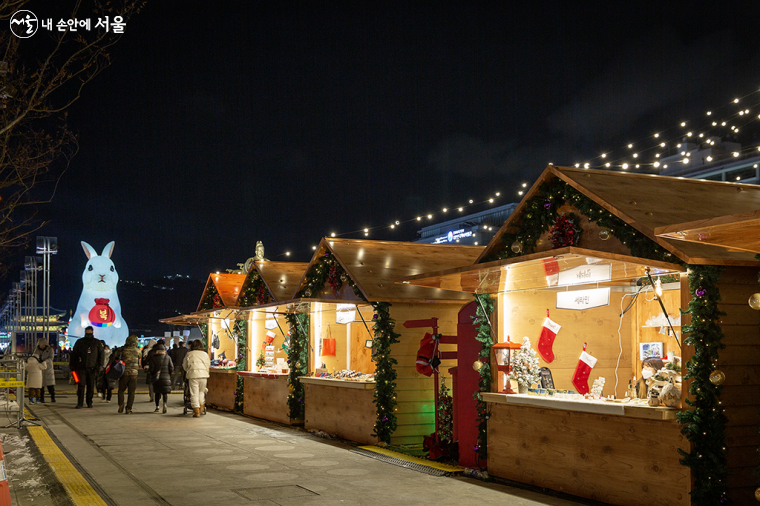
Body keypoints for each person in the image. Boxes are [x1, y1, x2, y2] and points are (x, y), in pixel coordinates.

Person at [69, 326, 103, 408]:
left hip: (92, 367)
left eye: (89, 331)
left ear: (92, 331)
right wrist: (73, 365)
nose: (88, 332)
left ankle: (89, 402)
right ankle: (80, 403)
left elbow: (101, 355)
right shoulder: (80, 342)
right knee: (81, 386)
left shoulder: (97, 343)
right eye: (87, 331)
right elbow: (74, 354)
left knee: (91, 386)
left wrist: (100, 366)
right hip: (81, 367)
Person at [183, 339, 210, 417]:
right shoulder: (205, 354)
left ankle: (197, 412)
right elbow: (208, 365)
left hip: (193, 375)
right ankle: (201, 409)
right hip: (204, 375)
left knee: (194, 394)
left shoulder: (189, 354)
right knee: (201, 392)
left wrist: (189, 370)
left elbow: (184, 366)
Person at [118, 335, 140, 414]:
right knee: (131, 392)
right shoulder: (137, 351)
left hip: (124, 373)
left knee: (121, 390)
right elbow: (140, 357)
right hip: (133, 374)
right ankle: (129, 409)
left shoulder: (123, 350)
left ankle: (121, 404)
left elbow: (116, 356)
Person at [149, 342, 173, 413]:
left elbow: (151, 369)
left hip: (157, 378)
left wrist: (153, 374)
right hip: (166, 377)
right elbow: (171, 367)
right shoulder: (168, 358)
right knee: (164, 393)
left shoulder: (153, 358)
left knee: (157, 393)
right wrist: (169, 374)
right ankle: (165, 404)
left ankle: (157, 407)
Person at [32, 338, 55, 403]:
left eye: (43, 345)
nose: (41, 346)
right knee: (40, 386)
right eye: (40, 345)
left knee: (50, 385)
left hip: (48, 369)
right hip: (40, 369)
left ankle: (53, 397)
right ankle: (42, 398)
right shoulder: (37, 350)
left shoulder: (50, 350)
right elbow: (34, 357)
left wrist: (44, 361)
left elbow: (51, 358)